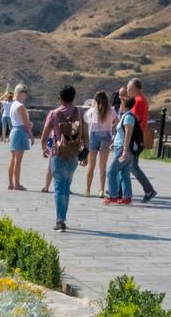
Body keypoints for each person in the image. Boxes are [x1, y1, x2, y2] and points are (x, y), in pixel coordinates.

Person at [40, 85, 87, 232]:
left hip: (58, 153)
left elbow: (45, 134)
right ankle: (63, 216)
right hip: (73, 154)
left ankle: (60, 219)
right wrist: (86, 152)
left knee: (59, 186)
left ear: (60, 98)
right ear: (73, 98)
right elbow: (85, 134)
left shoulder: (54, 114)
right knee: (66, 185)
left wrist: (43, 148)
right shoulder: (80, 112)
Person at [126, 78, 157, 201]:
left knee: (131, 166)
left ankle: (149, 190)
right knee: (128, 165)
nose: (127, 89)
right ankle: (118, 189)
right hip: (137, 136)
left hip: (134, 137)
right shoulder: (141, 99)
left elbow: (135, 119)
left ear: (135, 88)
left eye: (129, 87)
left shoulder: (138, 101)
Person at [106, 91, 137, 205]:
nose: (120, 105)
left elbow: (128, 134)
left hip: (122, 149)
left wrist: (124, 151)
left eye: (121, 102)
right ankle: (127, 196)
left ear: (125, 104)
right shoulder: (125, 116)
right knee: (124, 173)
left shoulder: (128, 117)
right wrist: (114, 143)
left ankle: (113, 195)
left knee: (111, 172)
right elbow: (122, 134)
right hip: (120, 147)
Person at [84, 91, 116, 196]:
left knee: (91, 166)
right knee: (103, 166)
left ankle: (88, 190)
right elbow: (118, 121)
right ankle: (101, 190)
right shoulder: (111, 110)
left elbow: (85, 121)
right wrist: (110, 125)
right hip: (106, 137)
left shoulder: (91, 111)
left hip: (93, 137)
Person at [7, 83, 33, 191]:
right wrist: (31, 135)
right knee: (18, 161)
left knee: (13, 160)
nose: (26, 94)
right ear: (20, 93)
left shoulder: (13, 104)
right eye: (24, 92)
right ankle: (17, 183)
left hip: (14, 131)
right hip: (20, 132)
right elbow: (26, 123)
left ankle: (11, 183)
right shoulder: (20, 106)